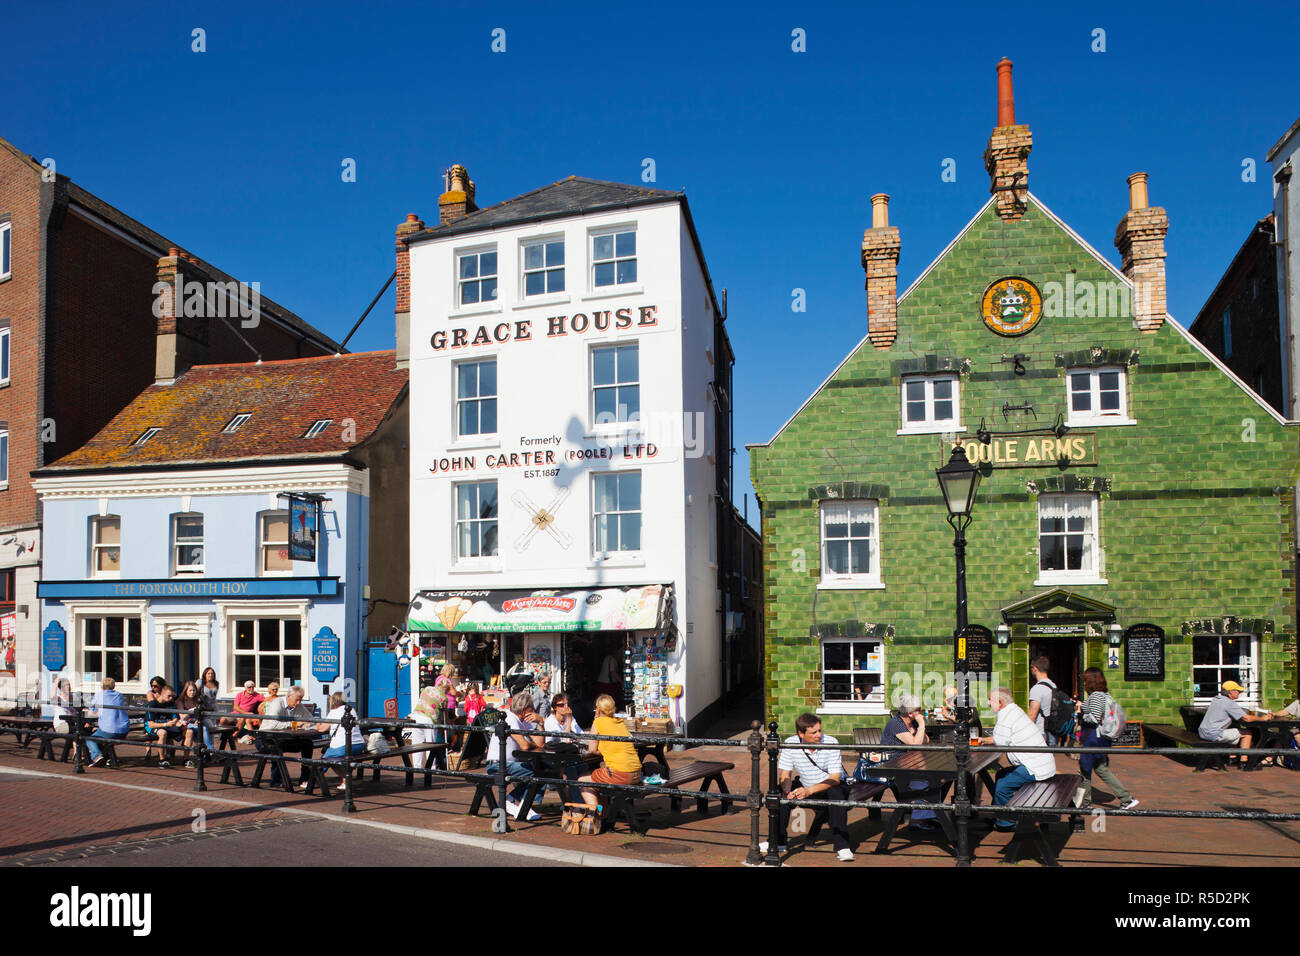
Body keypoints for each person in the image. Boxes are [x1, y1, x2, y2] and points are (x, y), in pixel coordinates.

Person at [759, 713, 854, 862]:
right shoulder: (791, 743)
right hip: (805, 783)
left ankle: (842, 846)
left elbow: (835, 779)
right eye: (814, 732)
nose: (819, 735)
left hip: (829, 784)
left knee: (836, 794)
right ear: (801, 734)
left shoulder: (831, 742)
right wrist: (786, 789)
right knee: (777, 793)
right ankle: (778, 841)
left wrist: (808, 791)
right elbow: (785, 774)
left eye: (819, 730)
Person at [980, 687, 1057, 830]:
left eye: (991, 700)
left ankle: (1006, 824)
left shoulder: (1006, 715)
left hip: (1035, 768)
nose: (988, 703)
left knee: (1002, 788)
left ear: (1000, 702)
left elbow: (1001, 742)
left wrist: (982, 741)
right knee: (1001, 774)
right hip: (1041, 764)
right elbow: (1002, 738)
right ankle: (1000, 815)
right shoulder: (1013, 710)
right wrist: (983, 740)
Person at [577, 694, 644, 822]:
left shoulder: (598, 722)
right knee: (598, 780)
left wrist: (601, 751)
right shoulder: (619, 722)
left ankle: (594, 816)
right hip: (636, 773)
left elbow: (591, 749)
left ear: (597, 709)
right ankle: (605, 814)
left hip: (620, 774)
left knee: (582, 780)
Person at [485, 689, 547, 820]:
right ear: (525, 710)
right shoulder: (509, 718)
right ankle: (524, 806)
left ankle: (512, 800)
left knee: (543, 770)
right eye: (532, 708)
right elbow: (525, 745)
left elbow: (540, 744)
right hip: (497, 765)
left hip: (509, 764)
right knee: (537, 772)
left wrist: (540, 722)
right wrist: (535, 745)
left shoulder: (523, 721)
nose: (534, 711)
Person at [882, 695, 937, 830]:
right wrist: (922, 725)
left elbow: (926, 741)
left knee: (936, 778)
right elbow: (915, 745)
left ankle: (927, 815)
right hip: (893, 765)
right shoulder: (896, 723)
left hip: (908, 762)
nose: (921, 711)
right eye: (919, 709)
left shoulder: (912, 723)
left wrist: (920, 729)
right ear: (910, 712)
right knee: (924, 780)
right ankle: (918, 819)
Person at [1198, 680, 1269, 768]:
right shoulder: (1229, 703)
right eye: (1238, 691)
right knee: (1247, 734)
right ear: (1231, 692)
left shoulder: (1217, 699)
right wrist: (1262, 718)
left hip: (1203, 732)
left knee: (1234, 729)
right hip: (1213, 734)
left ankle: (1232, 758)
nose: (1239, 693)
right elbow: (1246, 718)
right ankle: (1244, 763)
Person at [258, 684, 315, 789]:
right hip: (267, 738)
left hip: (285, 738)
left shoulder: (299, 706)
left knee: (307, 744)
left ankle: (304, 778)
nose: (299, 703)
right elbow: (272, 724)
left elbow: (311, 720)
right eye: (297, 700)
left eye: (301, 700)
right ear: (289, 696)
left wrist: (308, 724)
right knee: (276, 748)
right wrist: (294, 724)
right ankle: (275, 780)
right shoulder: (277, 703)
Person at [543, 692, 587, 803]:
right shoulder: (551, 721)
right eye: (561, 705)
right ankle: (578, 803)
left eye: (567, 704)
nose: (565, 707)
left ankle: (582, 801)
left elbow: (580, 735)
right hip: (553, 757)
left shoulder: (570, 718)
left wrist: (570, 722)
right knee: (571, 769)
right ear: (555, 708)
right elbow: (565, 740)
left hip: (568, 755)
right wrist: (568, 721)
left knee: (585, 767)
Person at [316, 692, 367, 782]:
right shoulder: (351, 710)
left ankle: (313, 780)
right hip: (359, 745)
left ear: (333, 701)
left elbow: (321, 729)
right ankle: (345, 780)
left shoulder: (334, 712)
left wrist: (316, 723)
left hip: (344, 747)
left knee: (324, 761)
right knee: (334, 758)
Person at [85, 677, 130, 768]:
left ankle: (96, 756)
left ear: (102, 686)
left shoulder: (99, 695)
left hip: (109, 730)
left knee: (89, 739)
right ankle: (107, 758)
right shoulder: (119, 695)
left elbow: (91, 711)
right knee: (100, 735)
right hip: (124, 730)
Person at [405, 685, 447, 770]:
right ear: (446, 690)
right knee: (430, 744)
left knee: (416, 744)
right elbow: (444, 715)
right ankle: (432, 767)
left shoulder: (427, 689)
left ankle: (417, 767)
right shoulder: (444, 697)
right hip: (429, 718)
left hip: (417, 716)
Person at [146, 685, 183, 769]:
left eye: (172, 696)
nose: (171, 698)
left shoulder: (171, 704)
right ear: (162, 694)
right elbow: (150, 724)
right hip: (152, 727)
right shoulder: (152, 705)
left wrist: (179, 723)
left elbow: (175, 719)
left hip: (167, 726)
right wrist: (165, 724)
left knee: (189, 731)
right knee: (162, 733)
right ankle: (162, 760)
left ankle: (186, 759)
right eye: (169, 696)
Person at [1026, 657, 1059, 742]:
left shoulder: (1037, 689)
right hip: (1052, 732)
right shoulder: (1053, 686)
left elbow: (1032, 715)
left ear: (1035, 668)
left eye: (1031, 668)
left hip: (1041, 733)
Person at [175, 681, 203, 767]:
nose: (192, 692)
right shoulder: (180, 701)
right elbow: (182, 717)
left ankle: (205, 755)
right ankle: (185, 759)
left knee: (204, 729)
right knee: (190, 732)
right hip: (182, 724)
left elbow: (201, 715)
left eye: (194, 690)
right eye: (190, 690)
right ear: (186, 691)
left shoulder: (197, 700)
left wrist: (197, 719)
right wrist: (192, 710)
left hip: (194, 723)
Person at [198, 666, 222, 749]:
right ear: (205, 674)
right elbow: (196, 694)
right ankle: (210, 749)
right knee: (209, 727)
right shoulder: (200, 682)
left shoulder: (216, 683)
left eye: (212, 673)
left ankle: (210, 748)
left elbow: (214, 696)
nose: (210, 675)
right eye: (208, 673)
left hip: (213, 708)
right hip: (204, 708)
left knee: (211, 731)